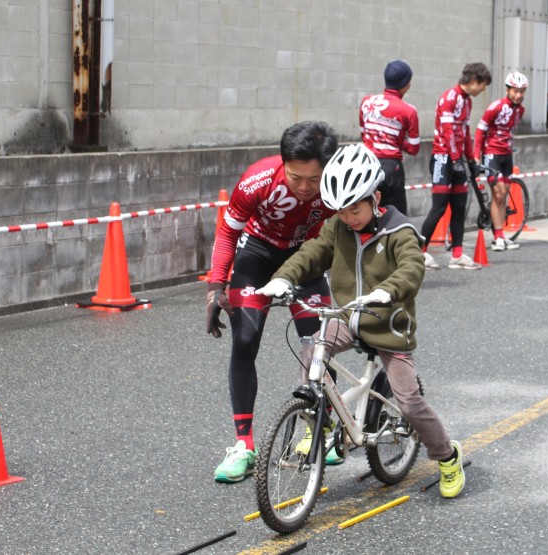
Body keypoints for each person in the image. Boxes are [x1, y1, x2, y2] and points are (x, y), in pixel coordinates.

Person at [254, 144, 466, 498]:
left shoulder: (400, 231)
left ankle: (446, 455)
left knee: (410, 402)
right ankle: (317, 418)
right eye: (341, 209)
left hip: (389, 325)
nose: (348, 216)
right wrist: (283, 277)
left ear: (376, 197)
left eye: (355, 208)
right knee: (312, 348)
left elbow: (412, 268)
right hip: (350, 317)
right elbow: (311, 254)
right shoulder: (337, 228)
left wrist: (388, 291)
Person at [204, 121, 339, 483]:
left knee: (319, 342)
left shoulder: (336, 183)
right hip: (258, 253)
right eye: (296, 177)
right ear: (283, 164)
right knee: (245, 339)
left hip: (307, 257)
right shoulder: (258, 179)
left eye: (314, 179)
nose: (306, 187)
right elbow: (228, 231)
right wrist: (216, 286)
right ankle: (244, 446)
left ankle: (318, 430)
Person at [419, 62, 493, 270]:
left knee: (459, 207)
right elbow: (448, 131)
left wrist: (470, 159)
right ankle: (420, 252)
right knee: (439, 207)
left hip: (458, 159)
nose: (483, 90)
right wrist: (454, 158)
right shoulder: (449, 98)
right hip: (443, 158)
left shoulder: (467, 101)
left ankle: (457, 254)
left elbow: (465, 132)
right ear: (473, 81)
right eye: (483, 85)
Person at [474, 71, 528, 251]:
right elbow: (480, 130)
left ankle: (501, 234)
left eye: (522, 91)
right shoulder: (495, 107)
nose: (519, 95)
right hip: (492, 154)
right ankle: (497, 236)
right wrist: (476, 154)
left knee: (504, 193)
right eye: (515, 91)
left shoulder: (520, 110)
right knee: (497, 193)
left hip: (507, 154)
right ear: (507, 89)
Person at [359, 59, 421, 215]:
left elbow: (364, 133)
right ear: (406, 84)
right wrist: (398, 141)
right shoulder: (408, 110)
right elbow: (414, 148)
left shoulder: (367, 102)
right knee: (395, 217)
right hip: (392, 168)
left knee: (369, 214)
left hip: (367, 164)